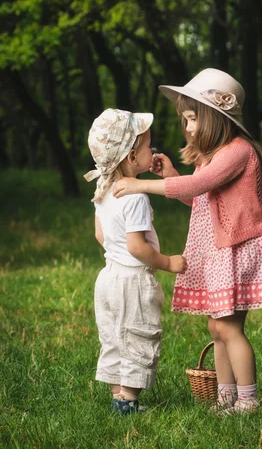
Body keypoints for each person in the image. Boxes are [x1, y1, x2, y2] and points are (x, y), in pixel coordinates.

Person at [113, 69, 262, 414]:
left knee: (228, 327)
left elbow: (198, 187)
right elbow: (200, 199)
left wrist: (141, 185)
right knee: (217, 326)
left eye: (193, 118)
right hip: (221, 252)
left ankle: (249, 399)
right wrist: (170, 177)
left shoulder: (238, 152)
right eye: (185, 120)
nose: (190, 128)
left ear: (217, 118)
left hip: (239, 250)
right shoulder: (212, 158)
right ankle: (226, 395)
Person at [84, 108, 186, 416]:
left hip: (107, 278)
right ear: (131, 156)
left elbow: (100, 234)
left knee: (116, 335)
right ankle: (128, 400)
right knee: (139, 333)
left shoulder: (103, 189)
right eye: (148, 146)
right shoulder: (137, 198)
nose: (152, 151)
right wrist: (167, 262)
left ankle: (119, 396)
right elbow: (137, 247)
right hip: (132, 279)